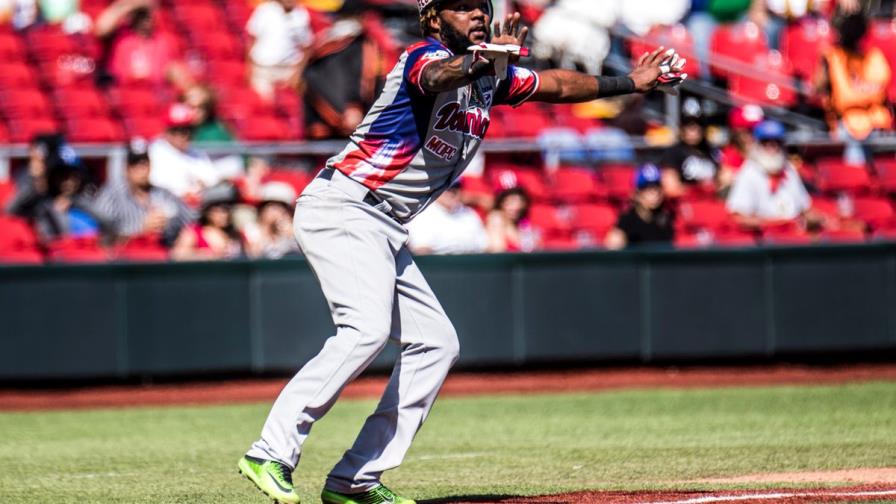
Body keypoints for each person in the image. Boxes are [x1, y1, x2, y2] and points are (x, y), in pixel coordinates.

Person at [236, 1, 682, 503]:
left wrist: (631, 82)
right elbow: (438, 77)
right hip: (344, 204)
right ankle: (269, 452)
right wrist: (485, 61)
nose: (474, 12)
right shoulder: (422, 56)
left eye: (480, 6)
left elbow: (556, 85)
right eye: (460, 5)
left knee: (436, 343)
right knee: (366, 330)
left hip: (382, 222)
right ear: (433, 17)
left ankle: (355, 480)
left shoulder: (493, 75)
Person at [818, 10, 892, 165]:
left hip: (876, 122)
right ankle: (857, 184)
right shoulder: (834, 57)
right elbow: (843, 98)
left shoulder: (873, 56)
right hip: (845, 124)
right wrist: (865, 92)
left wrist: (859, 93)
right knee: (854, 148)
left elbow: (880, 89)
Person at [94, 142, 194, 247]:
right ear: (126, 169)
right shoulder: (111, 196)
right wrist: (141, 230)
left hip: (164, 254)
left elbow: (192, 222)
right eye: (135, 164)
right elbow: (101, 240)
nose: (142, 169)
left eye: (145, 163)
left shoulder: (164, 194)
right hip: (127, 259)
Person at [726, 120, 817, 228]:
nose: (772, 146)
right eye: (766, 142)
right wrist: (774, 224)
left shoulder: (789, 169)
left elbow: (805, 208)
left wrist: (816, 220)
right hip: (766, 239)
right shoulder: (749, 172)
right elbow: (738, 216)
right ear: (757, 144)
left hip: (795, 235)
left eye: (777, 141)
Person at [94, 0, 194, 91]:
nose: (145, 20)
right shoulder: (120, 34)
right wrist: (132, 5)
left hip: (153, 96)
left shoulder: (162, 41)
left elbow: (176, 72)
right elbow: (101, 29)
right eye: (140, 15)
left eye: (147, 15)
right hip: (122, 93)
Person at [148, 103, 221, 200]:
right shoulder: (155, 151)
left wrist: (203, 184)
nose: (184, 135)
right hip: (169, 204)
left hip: (200, 203)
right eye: (177, 130)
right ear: (166, 131)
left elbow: (213, 179)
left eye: (188, 129)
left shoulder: (196, 153)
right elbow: (156, 184)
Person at [246, 0, 313, 101]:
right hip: (263, 70)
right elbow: (251, 39)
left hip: (287, 70)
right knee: (263, 106)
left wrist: (297, 73)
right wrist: (248, 67)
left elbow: (307, 46)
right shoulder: (264, 10)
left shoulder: (301, 14)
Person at [605, 164, 675, 250]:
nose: (655, 193)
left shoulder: (668, 217)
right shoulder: (627, 220)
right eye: (648, 189)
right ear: (637, 193)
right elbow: (612, 251)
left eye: (657, 188)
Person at [170, 183, 246, 261]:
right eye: (219, 209)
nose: (225, 214)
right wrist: (208, 255)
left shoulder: (236, 233)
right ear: (207, 211)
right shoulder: (195, 232)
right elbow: (177, 255)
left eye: (228, 209)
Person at [407, 182, 488, 254]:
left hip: (470, 265)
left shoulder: (469, 213)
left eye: (456, 187)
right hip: (438, 267)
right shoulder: (423, 214)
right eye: (447, 188)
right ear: (436, 190)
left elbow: (485, 247)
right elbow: (422, 252)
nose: (452, 192)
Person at [660, 113, 719, 198]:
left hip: (711, 203)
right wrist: (698, 190)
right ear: (681, 129)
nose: (693, 130)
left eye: (697, 125)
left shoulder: (711, 152)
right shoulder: (673, 152)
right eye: (689, 126)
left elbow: (722, 180)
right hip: (685, 204)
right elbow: (670, 189)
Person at [245, 181, 302, 259]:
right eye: (272, 206)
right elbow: (253, 254)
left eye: (281, 207)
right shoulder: (251, 229)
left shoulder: (290, 230)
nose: (277, 211)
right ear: (262, 209)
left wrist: (292, 234)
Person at [718, 104, 765, 197]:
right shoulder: (731, 153)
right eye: (747, 131)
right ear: (736, 132)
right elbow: (724, 184)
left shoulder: (765, 152)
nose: (752, 136)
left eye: (755, 130)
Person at [485, 186, 534, 252]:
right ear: (501, 202)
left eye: (520, 201)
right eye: (511, 201)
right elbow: (497, 250)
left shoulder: (523, 223)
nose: (516, 206)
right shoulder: (496, 218)